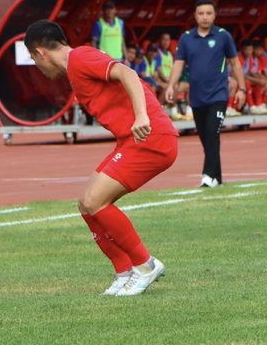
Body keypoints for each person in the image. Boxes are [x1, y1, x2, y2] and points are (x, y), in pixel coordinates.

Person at [24, 20, 178, 297]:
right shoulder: (74, 69)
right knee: (85, 204)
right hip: (132, 140)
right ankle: (124, 271)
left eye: (34, 60)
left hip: (150, 138)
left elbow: (128, 73)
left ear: (40, 52)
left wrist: (142, 115)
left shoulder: (80, 56)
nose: (38, 67)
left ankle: (145, 265)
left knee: (95, 201)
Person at [166, 0, 246, 188]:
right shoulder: (186, 38)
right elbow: (178, 63)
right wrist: (171, 85)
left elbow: (235, 63)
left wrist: (242, 88)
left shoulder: (223, 36)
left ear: (215, 15)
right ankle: (217, 177)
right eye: (201, 13)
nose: (205, 17)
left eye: (208, 13)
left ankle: (208, 176)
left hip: (218, 94)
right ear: (195, 15)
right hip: (197, 97)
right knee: (205, 136)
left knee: (212, 132)